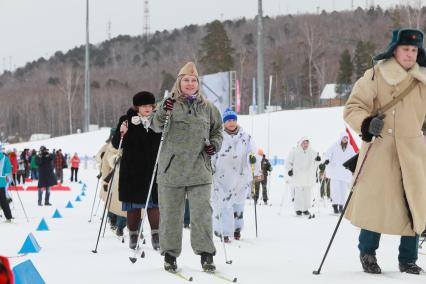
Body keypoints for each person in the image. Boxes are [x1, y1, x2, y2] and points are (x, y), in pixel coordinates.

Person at [343, 28, 426, 275]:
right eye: (406, 49)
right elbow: (353, 107)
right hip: (381, 148)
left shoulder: (423, 79)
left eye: (414, 50)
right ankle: (367, 253)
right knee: (376, 204)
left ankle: (408, 259)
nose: (410, 54)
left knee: (414, 203)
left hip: (413, 150)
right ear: (394, 50)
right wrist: (367, 124)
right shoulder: (375, 75)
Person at [151, 62, 223, 272]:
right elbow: (155, 126)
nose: (190, 84)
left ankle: (206, 254)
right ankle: (170, 254)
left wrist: (214, 145)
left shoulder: (208, 107)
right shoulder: (169, 103)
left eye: (194, 80)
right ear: (179, 82)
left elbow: (217, 131)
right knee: (171, 215)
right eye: (186, 80)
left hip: (200, 169)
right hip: (171, 170)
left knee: (202, 214)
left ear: (198, 83)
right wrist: (164, 110)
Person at [112, 91, 162, 249]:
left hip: (153, 169)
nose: (147, 108)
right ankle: (133, 235)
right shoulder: (126, 120)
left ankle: (156, 235)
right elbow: (115, 144)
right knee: (133, 207)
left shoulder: (159, 120)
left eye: (150, 105)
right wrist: (121, 133)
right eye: (143, 106)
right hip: (132, 171)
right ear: (137, 107)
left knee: (154, 205)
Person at [211, 108, 260, 242]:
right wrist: (210, 168)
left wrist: (253, 162)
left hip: (240, 176)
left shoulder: (246, 137)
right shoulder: (218, 137)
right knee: (223, 204)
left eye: (233, 120)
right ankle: (224, 232)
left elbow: (253, 152)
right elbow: (212, 155)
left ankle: (237, 229)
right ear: (224, 122)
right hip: (222, 176)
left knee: (238, 203)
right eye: (228, 120)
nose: (231, 123)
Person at [96, 129, 127, 237]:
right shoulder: (108, 146)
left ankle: (121, 225)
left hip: (122, 177)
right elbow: (100, 158)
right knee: (112, 200)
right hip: (110, 177)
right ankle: (113, 220)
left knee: (122, 202)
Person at [285, 137, 321, 216]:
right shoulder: (294, 151)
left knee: (307, 194)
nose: (305, 145)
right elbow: (288, 162)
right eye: (304, 143)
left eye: (307, 143)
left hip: (308, 176)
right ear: (301, 143)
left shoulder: (312, 152)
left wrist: (318, 160)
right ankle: (298, 209)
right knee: (298, 193)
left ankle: (305, 209)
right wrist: (289, 170)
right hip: (298, 176)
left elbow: (316, 164)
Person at [323, 132, 356, 214]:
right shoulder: (334, 146)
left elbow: (354, 157)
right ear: (341, 138)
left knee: (343, 190)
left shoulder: (350, 148)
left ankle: (341, 206)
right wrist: (327, 159)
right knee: (335, 189)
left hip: (345, 172)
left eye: (346, 138)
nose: (345, 139)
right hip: (335, 172)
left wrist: (353, 166)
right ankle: (335, 205)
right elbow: (328, 154)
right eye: (344, 138)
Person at [0, 143, 13, 222]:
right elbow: (8, 171)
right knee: (3, 200)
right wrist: (9, 179)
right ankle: (8, 217)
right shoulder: (5, 158)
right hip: (1, 182)